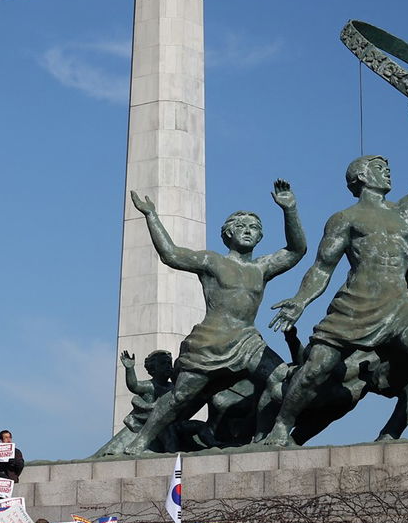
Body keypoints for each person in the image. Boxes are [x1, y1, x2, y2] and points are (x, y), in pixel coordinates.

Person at [260, 102, 408, 444]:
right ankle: (280, 426)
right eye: (380, 167)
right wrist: (300, 301)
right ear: (361, 177)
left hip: (400, 305)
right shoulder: (344, 218)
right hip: (355, 306)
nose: (388, 172)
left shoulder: (405, 214)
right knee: (315, 369)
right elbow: (322, 268)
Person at [97, 178, 307, 455]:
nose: (248, 231)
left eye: (254, 228)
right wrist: (151, 216)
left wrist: (289, 209)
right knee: (179, 397)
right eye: (241, 226)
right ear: (227, 234)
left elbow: (296, 250)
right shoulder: (212, 261)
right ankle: (139, 444)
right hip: (211, 342)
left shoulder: (262, 267)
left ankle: (265, 439)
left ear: (260, 237)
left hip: (248, 340)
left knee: (282, 379)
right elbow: (171, 255)